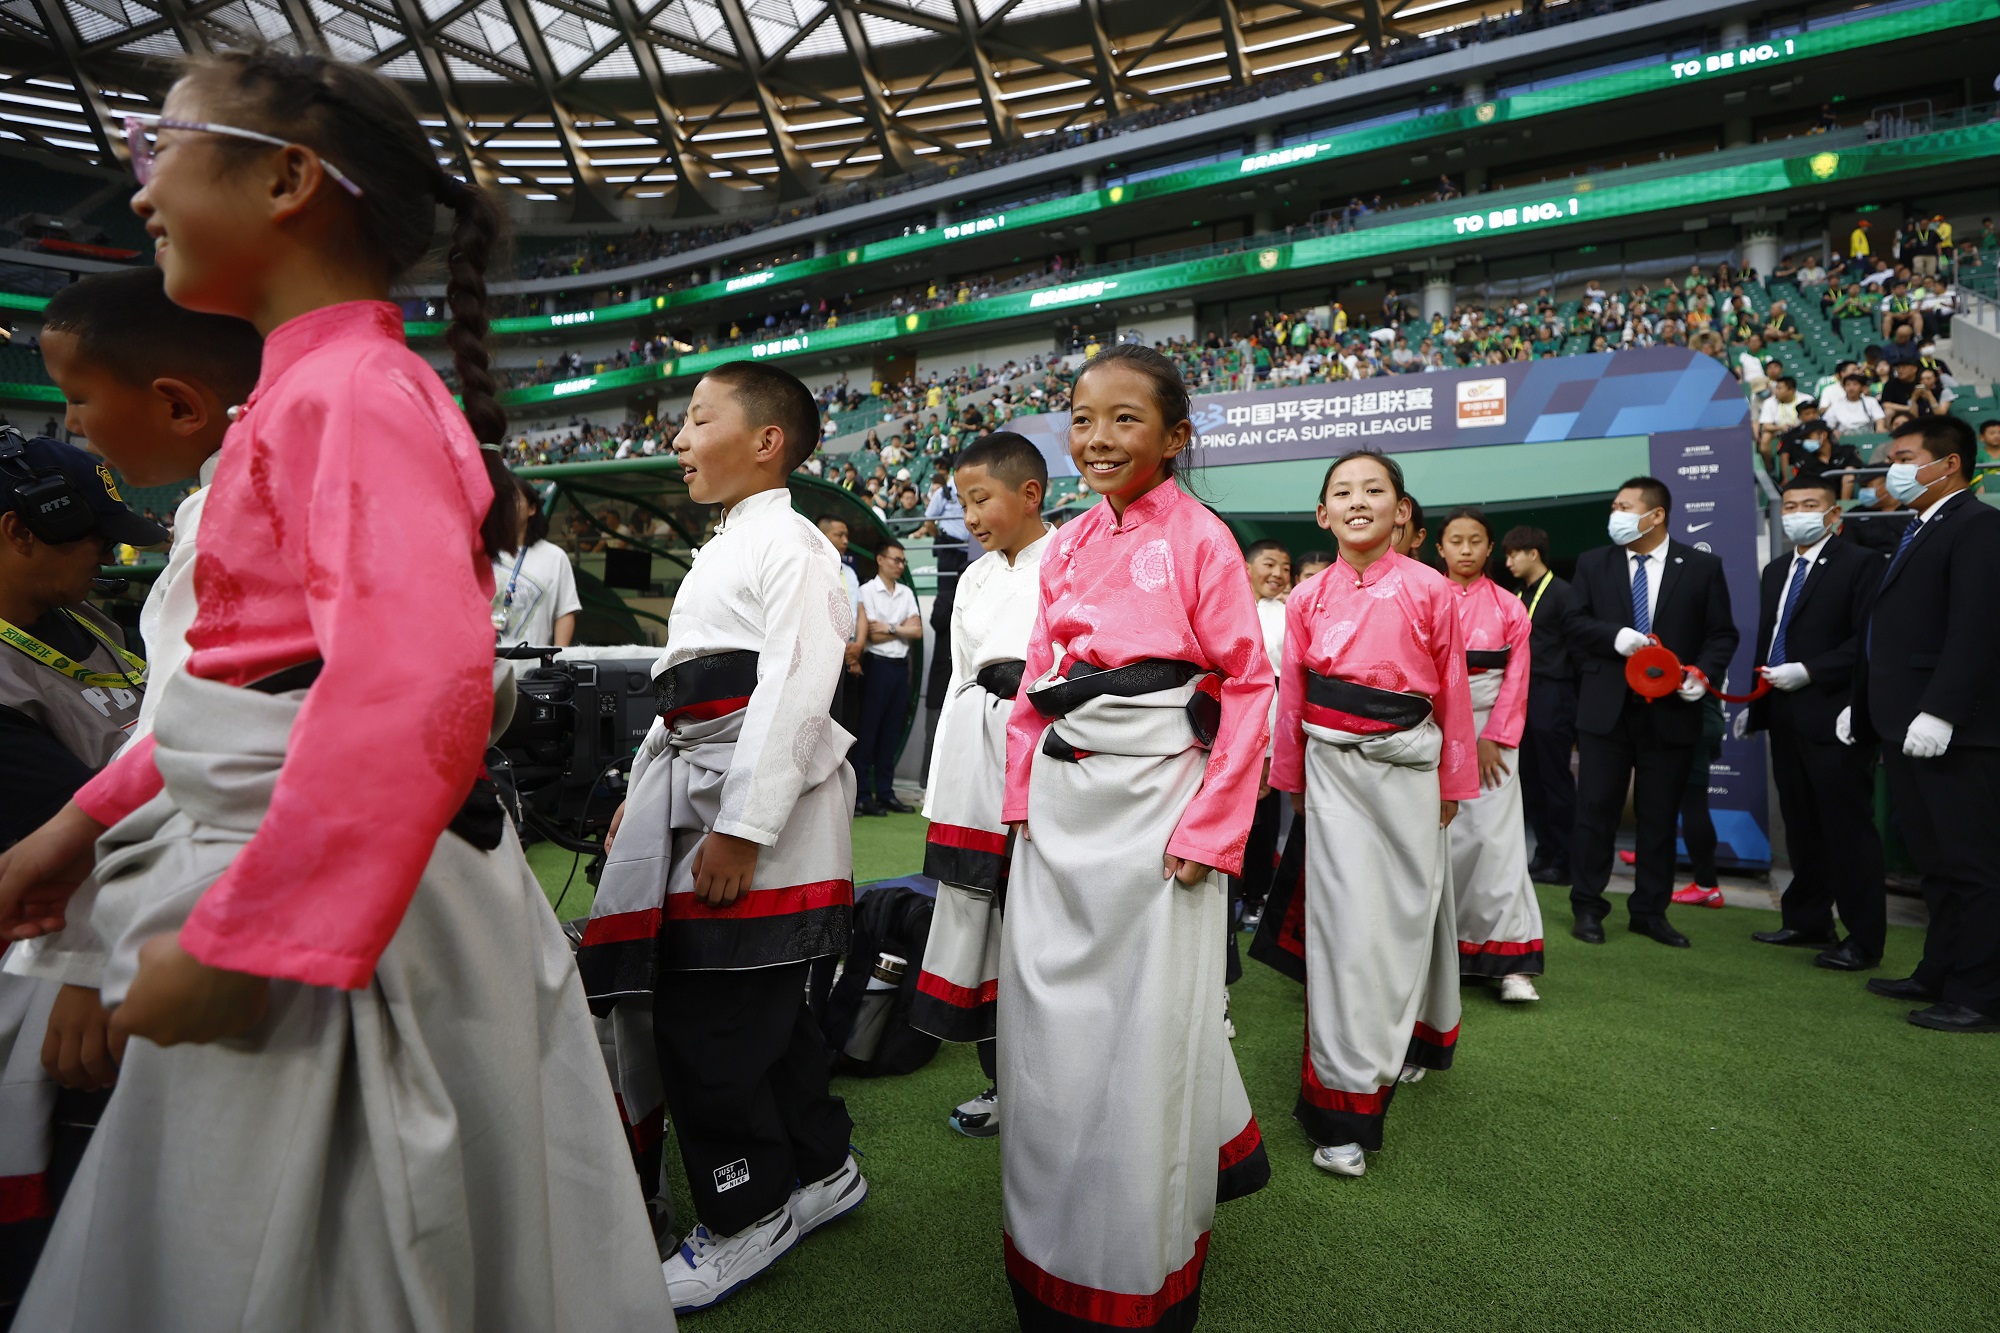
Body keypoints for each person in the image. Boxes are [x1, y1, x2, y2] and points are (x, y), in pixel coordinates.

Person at [0, 50, 674, 1330]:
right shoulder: (308, 390)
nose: (138, 190)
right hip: (307, 891)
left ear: (288, 180)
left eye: (164, 148)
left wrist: (254, 942)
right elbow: (236, 688)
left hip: (342, 920)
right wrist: (69, 830)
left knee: (316, 1271)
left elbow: (410, 680)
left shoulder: (354, 392)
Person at [1000, 345, 1269, 1330]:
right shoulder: (1064, 544)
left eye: (1122, 419)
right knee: (1048, 1040)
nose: (1096, 438)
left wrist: (1211, 827)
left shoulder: (1201, 538)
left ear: (1173, 436)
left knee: (1145, 1035)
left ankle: (1135, 1265)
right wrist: (1019, 805)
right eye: (1080, 417)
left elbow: (1247, 685)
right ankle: (1047, 1254)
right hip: (1063, 810)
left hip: (1162, 812)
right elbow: (1036, 679)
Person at [585, 362, 865, 1310]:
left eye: (697, 418)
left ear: (766, 441)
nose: (677, 438)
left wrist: (744, 829)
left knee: (712, 1019)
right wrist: (642, 791)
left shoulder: (792, 543)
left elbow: (797, 683)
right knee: (763, 1011)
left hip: (754, 814)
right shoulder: (732, 541)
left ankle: (747, 1215)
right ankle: (822, 1170)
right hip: (699, 791)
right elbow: (683, 688)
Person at [1272, 450, 1475, 1177]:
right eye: (1342, 492)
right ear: (1323, 513)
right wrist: (1290, 776)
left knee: (1408, 914)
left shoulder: (1432, 590)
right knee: (1345, 933)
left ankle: (1414, 1037)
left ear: (1401, 510)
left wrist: (1453, 780)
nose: (1358, 501)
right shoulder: (1306, 598)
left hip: (1413, 774)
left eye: (1374, 489)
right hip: (1331, 777)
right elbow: (1291, 696)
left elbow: (1451, 689)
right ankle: (1343, 1108)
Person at [0, 434, 164, 1318]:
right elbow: (93, 831)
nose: (109, 555)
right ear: (18, 533)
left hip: (121, 938)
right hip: (42, 976)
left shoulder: (92, 616)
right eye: (90, 537)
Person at [910, 431, 1048, 1140]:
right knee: (978, 916)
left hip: (1045, 749)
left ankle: (1052, 1087)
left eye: (979, 498)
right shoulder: (972, 577)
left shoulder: (1071, 560)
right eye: (963, 501)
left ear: (1030, 494)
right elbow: (962, 676)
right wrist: (943, 785)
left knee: (1042, 923)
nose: (969, 515)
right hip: (974, 750)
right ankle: (1001, 1082)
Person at [1845, 416, 2000, 1031]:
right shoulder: (1916, 529)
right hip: (1903, 725)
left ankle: (1981, 993)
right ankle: (1939, 968)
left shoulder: (1980, 528)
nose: (1893, 470)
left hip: (1957, 731)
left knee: (1973, 864)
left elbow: (1977, 630)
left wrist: (1941, 711)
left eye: (1905, 457)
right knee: (1933, 861)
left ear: (1949, 464)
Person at [1564, 477, 1739, 949]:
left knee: (1659, 815)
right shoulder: (1593, 563)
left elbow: (1722, 634)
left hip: (1671, 710)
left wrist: (1702, 675)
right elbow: (1574, 622)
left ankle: (1649, 911)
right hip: (1607, 709)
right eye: (1614, 505)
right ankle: (1588, 907)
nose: (1615, 514)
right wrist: (1613, 637)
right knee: (1595, 810)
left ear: (1655, 514)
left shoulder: (1702, 567)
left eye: (1625, 506)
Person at [1739, 474, 1886, 968]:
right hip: (1783, 712)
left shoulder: (1861, 564)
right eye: (1790, 505)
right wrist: (1756, 702)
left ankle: (1863, 939)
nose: (1797, 512)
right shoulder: (1776, 570)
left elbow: (1867, 641)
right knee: (1802, 824)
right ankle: (1807, 920)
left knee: (1846, 828)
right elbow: (1771, 636)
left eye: (1809, 504)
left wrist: (1812, 671)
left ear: (1833, 514)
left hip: (1835, 714)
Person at [1437, 509, 1542, 1001]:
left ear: (1489, 548)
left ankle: (1511, 962)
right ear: (1439, 547)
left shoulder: (1509, 607)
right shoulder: (1424, 597)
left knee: (1498, 844)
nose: (1464, 550)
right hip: (1432, 732)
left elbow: (1517, 679)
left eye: (1474, 540)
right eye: (1455, 540)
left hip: (1492, 738)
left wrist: (1492, 737)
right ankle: (1440, 955)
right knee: (1441, 842)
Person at [1500, 527, 1576, 883]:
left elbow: (1576, 649)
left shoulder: (1562, 593)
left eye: (1515, 553)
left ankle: (1566, 858)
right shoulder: (1515, 596)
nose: (1509, 561)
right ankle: (1545, 852)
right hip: (1520, 692)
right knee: (1529, 777)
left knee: (1555, 778)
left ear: (1534, 553)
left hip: (1553, 692)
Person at [1237, 538, 1292, 932]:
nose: (1278, 574)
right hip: (1232, 716)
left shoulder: (1290, 614)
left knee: (1264, 815)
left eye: (1285, 568)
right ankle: (1230, 893)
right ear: (1248, 566)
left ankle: (1257, 896)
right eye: (1270, 564)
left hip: (1274, 712)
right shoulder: (1230, 605)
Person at [852, 538, 920, 816]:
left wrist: (890, 627)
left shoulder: (905, 592)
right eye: (896, 559)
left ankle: (886, 792)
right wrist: (900, 628)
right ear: (880, 559)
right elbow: (869, 635)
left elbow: (917, 632)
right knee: (868, 732)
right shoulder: (865, 591)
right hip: (875, 666)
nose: (900, 565)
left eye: (903, 561)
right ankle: (862, 795)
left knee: (891, 733)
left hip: (899, 667)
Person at [492, 473, 579, 666]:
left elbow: (565, 612)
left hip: (531, 670)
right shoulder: (483, 553)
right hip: (484, 665)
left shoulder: (554, 556)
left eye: (514, 499)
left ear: (532, 508)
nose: (506, 505)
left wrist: (558, 660)